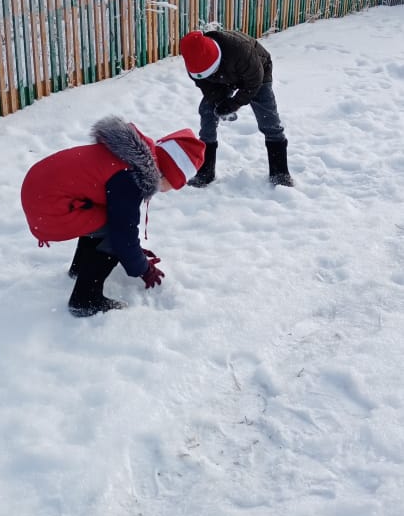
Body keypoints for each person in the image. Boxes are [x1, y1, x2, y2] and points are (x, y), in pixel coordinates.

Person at [20, 115, 206, 317]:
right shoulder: (130, 177)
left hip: (38, 190)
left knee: (106, 220)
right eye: (178, 183)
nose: (174, 189)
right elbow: (122, 235)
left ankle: (80, 269)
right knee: (113, 232)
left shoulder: (128, 158)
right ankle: (85, 300)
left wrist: (133, 252)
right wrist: (143, 269)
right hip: (48, 205)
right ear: (169, 174)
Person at [179, 28, 294, 188]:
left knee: (268, 119)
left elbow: (254, 82)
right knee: (207, 112)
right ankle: (206, 172)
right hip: (222, 79)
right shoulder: (194, 63)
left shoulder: (241, 50)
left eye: (210, 70)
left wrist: (234, 104)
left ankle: (280, 173)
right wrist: (220, 101)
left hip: (257, 73)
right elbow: (207, 86)